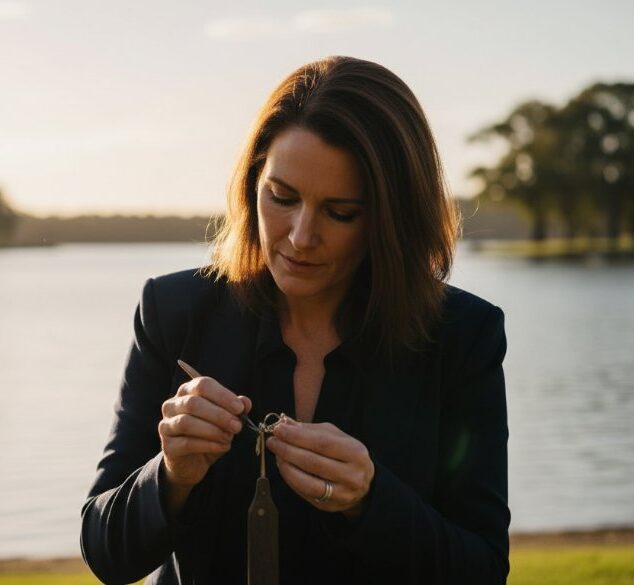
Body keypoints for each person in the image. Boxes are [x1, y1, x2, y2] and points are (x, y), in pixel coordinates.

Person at [80, 55, 510, 584]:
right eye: (282, 197)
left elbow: (483, 569)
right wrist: (171, 476)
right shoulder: (174, 311)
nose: (301, 237)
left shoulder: (463, 335)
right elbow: (104, 551)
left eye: (340, 212)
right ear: (252, 185)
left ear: (392, 217)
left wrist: (370, 501)